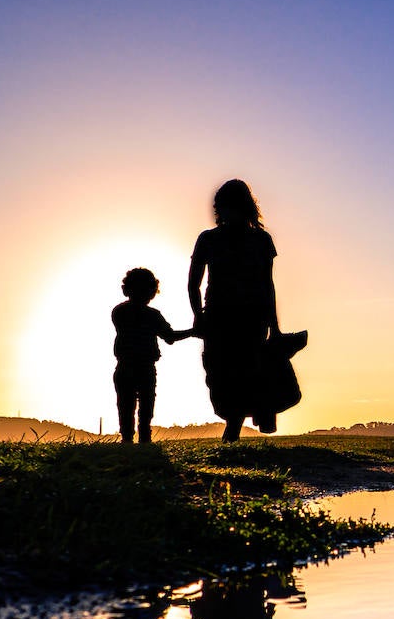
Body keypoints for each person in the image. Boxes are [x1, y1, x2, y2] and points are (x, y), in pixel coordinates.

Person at [188, 180, 282, 442]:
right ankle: (251, 415)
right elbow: (193, 283)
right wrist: (198, 316)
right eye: (224, 207)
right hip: (217, 317)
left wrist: (274, 326)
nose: (227, 212)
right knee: (218, 375)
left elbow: (267, 285)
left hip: (251, 318)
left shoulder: (262, 240)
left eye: (232, 207)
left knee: (243, 374)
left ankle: (234, 430)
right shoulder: (208, 239)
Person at [111, 268, 193, 444]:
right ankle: (144, 440)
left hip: (124, 365)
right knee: (146, 407)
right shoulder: (152, 315)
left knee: (125, 406)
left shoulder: (119, 312)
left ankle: (127, 439)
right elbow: (170, 337)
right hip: (145, 366)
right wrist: (193, 332)